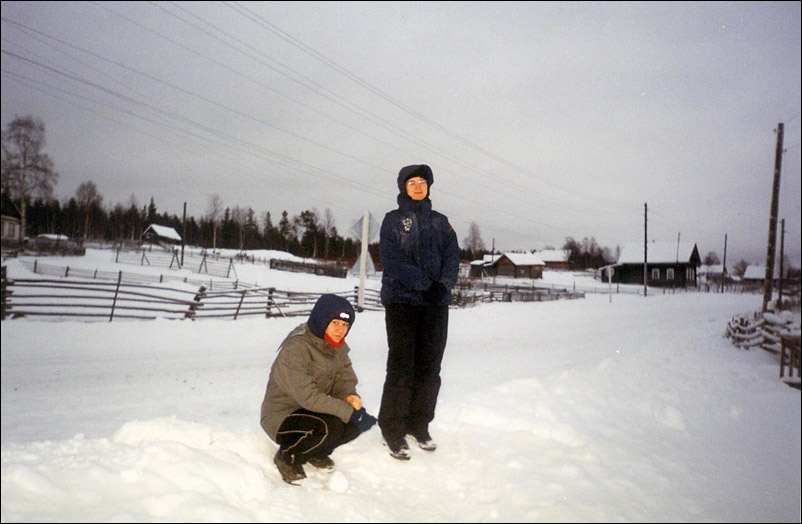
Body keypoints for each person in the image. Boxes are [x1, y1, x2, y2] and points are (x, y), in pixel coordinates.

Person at [377, 164, 460, 460]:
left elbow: (452, 257)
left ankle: (418, 423)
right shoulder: (392, 221)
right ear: (403, 187)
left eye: (422, 182)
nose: (417, 186)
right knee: (401, 366)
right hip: (402, 302)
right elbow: (393, 260)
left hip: (435, 305)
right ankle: (392, 429)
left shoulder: (441, 222)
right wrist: (425, 284)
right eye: (411, 182)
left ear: (429, 186)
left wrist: (443, 285)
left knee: (430, 366)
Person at [260, 293, 377, 485]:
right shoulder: (296, 348)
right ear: (322, 320)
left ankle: (314, 451)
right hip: (282, 415)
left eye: (345, 325)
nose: (341, 330)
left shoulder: (336, 346)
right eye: (336, 323)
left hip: (312, 412)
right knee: (327, 427)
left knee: (352, 426)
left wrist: (349, 397)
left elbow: (345, 378)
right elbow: (308, 397)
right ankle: (287, 456)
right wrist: (347, 411)